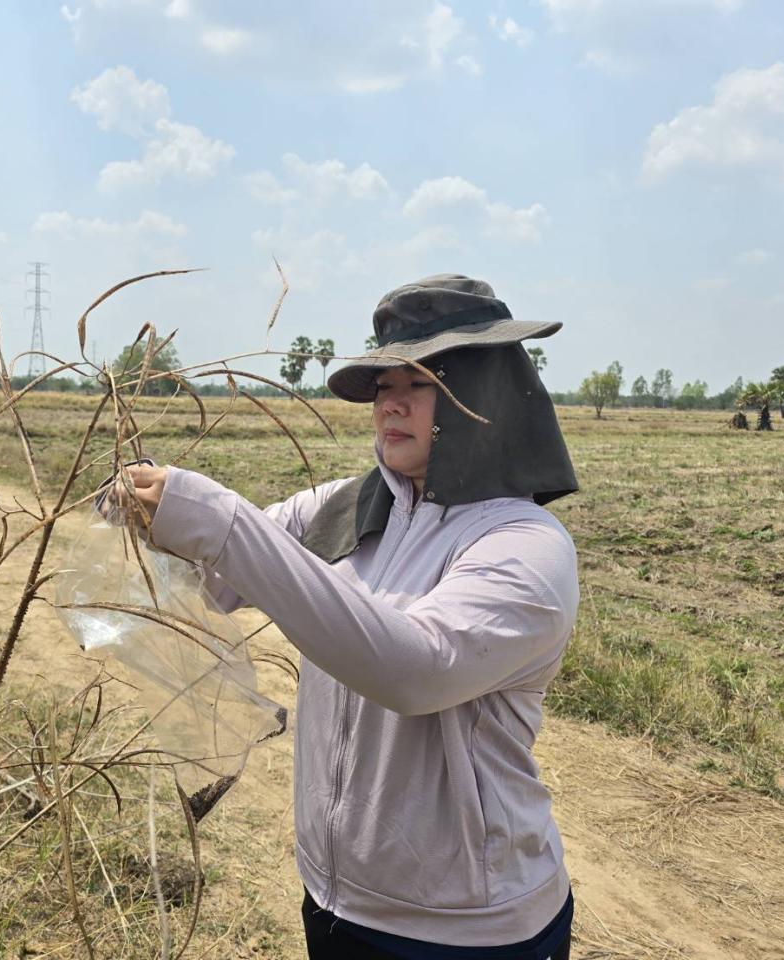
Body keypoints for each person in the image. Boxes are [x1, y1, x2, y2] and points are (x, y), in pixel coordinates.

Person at [117, 275, 580, 960]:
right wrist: (146, 517)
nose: (388, 402)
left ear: (479, 396)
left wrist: (220, 521)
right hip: (336, 900)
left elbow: (413, 669)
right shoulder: (349, 507)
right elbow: (216, 578)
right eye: (381, 383)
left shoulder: (523, 544)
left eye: (418, 382)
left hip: (465, 930)